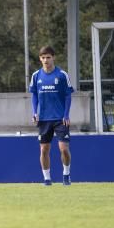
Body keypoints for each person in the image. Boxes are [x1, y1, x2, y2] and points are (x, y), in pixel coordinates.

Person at [29, 45, 74, 186]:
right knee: (44, 149)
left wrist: (66, 115)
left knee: (64, 149)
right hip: (44, 119)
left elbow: (68, 96)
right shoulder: (36, 76)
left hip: (60, 118)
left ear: (53, 57)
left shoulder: (62, 75)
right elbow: (34, 95)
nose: (46, 60)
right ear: (40, 59)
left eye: (48, 57)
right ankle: (47, 179)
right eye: (43, 58)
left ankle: (66, 175)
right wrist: (34, 112)